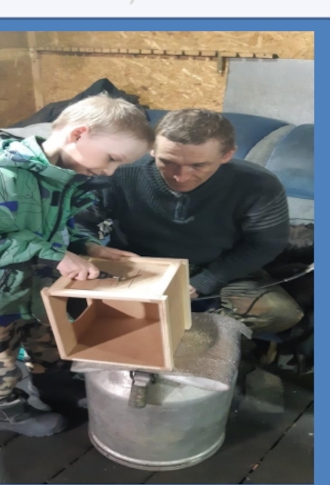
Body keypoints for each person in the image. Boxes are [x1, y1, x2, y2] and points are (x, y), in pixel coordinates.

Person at [0, 94, 154, 437]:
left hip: (36, 285)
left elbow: (57, 225)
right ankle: (2, 410)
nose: (109, 172)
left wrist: (85, 245)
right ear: (78, 134)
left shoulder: (58, 174)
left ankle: (53, 385)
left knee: (47, 337)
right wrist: (55, 255)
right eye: (111, 158)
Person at [76, 108, 303, 334]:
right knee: (76, 306)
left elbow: (266, 245)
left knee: (280, 313)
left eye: (198, 165)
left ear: (227, 155)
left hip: (220, 266)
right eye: (167, 161)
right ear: (152, 148)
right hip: (139, 265)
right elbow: (78, 223)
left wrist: (205, 282)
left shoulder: (259, 186)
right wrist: (90, 246)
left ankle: (183, 335)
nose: (180, 176)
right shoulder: (118, 174)